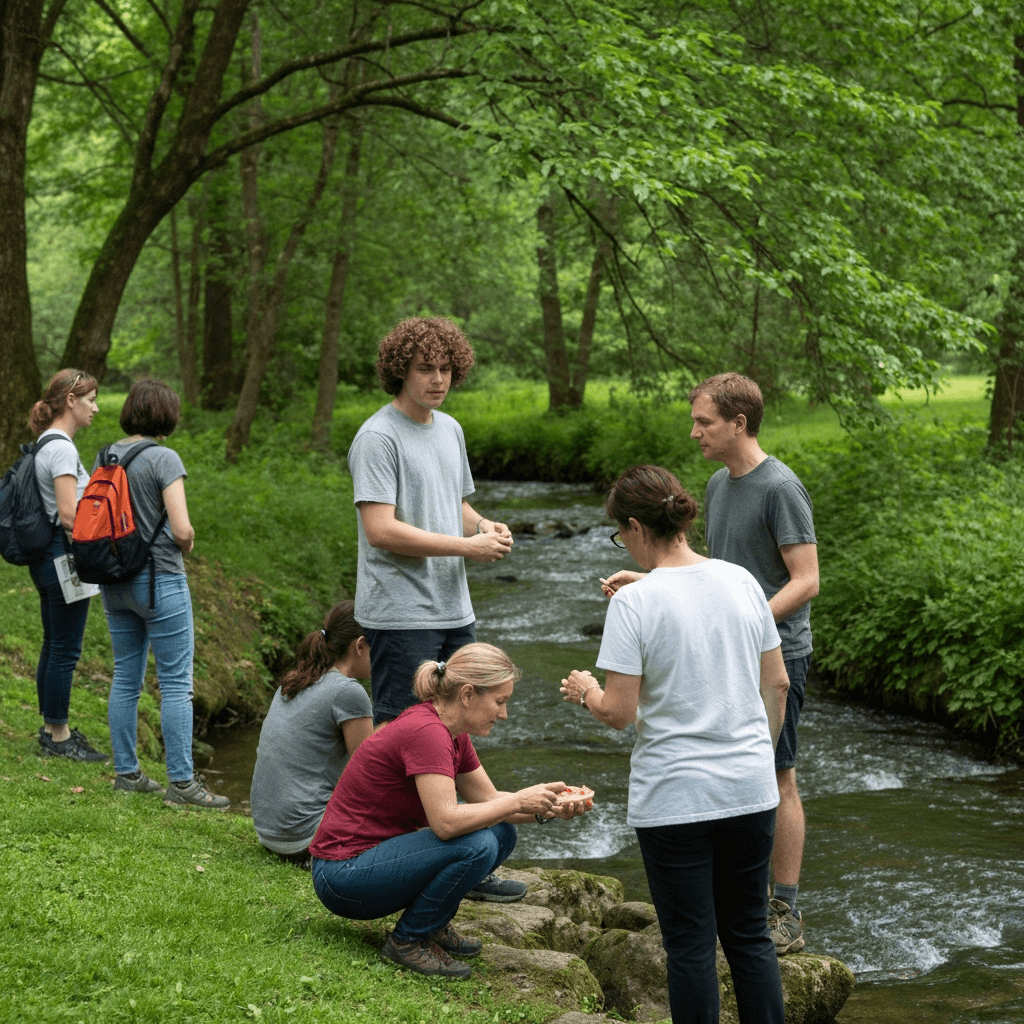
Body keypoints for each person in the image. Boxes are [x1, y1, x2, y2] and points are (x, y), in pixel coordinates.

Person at [563, 464, 790, 1024]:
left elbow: (618, 713)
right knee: (750, 935)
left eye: (620, 534)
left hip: (676, 796)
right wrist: (756, 756)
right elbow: (778, 683)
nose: (624, 544)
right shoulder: (742, 581)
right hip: (750, 788)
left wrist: (585, 691)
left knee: (690, 945)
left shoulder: (633, 604)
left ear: (637, 527)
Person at [310, 642, 592, 980]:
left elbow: (490, 800)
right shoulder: (427, 733)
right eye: (499, 701)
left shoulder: (452, 731)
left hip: (368, 863)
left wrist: (549, 807)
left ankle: (434, 924)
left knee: (501, 830)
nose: (504, 714)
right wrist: (519, 800)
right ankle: (407, 941)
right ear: (468, 694)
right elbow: (445, 823)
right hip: (342, 877)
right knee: (478, 844)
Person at [688, 373, 818, 954]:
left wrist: (748, 622)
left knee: (777, 774)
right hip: (727, 653)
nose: (695, 433)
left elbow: (806, 580)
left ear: (739, 423)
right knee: (726, 769)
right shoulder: (718, 484)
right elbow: (716, 572)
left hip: (777, 657)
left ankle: (785, 907)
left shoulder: (780, 488)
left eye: (705, 422)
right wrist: (651, 582)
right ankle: (739, 899)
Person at [347, 316, 513, 726]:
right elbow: (380, 530)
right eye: (425, 369)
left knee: (460, 725)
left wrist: (483, 527)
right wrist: (467, 547)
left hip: (455, 609)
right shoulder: (377, 438)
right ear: (400, 371)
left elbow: (454, 506)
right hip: (400, 614)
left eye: (445, 369)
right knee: (404, 729)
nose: (438, 380)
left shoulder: (450, 429)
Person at [98, 378, 228, 807]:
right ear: (166, 415)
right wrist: (186, 544)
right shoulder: (164, 458)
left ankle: (127, 773)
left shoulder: (107, 454)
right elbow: (182, 528)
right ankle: (182, 784)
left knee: (125, 677)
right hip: (159, 580)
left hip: (114, 580)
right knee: (175, 683)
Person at [250, 601, 374, 864]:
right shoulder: (348, 692)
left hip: (270, 833)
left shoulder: (293, 681)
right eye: (381, 645)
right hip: (306, 838)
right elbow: (371, 774)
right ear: (360, 645)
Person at [27, 369, 109, 762]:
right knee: (65, 648)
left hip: (47, 557)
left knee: (54, 643)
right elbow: (68, 514)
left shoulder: (46, 442)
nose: (96, 407)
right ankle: (59, 736)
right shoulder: (61, 449)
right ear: (71, 400)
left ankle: (50, 728)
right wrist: (97, 554)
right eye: (90, 399)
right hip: (63, 558)